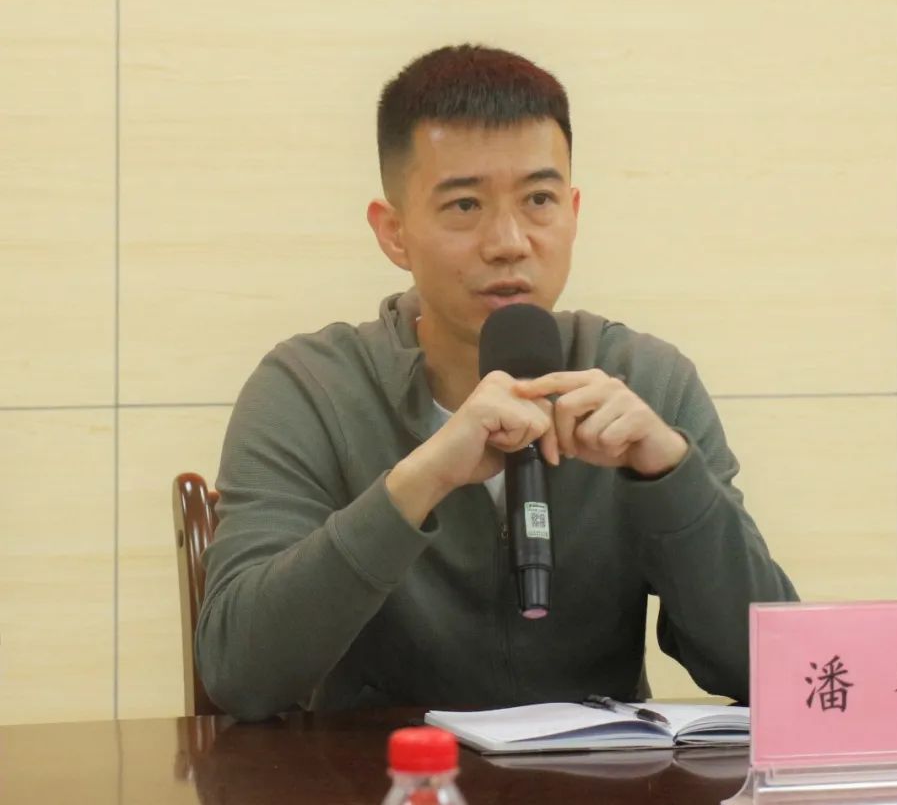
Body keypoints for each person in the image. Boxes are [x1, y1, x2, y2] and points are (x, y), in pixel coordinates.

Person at [197, 44, 797, 721]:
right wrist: (420, 481)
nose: (509, 241)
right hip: (383, 772)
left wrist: (670, 475)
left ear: (573, 211)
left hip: (596, 773)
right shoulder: (310, 388)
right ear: (394, 232)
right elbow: (240, 671)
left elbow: (776, 674)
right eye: (464, 205)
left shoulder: (646, 380)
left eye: (539, 200)